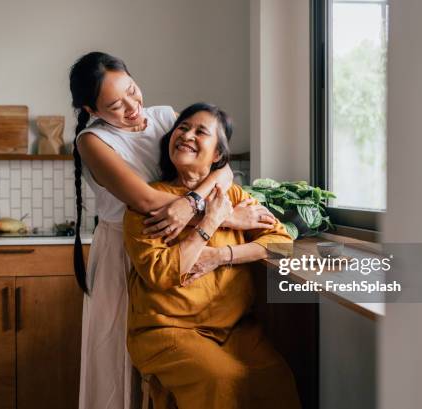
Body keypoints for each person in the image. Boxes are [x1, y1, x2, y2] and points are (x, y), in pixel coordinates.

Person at [69, 52, 277, 409]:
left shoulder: (165, 117)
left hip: (183, 242)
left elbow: (221, 166)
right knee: (117, 362)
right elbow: (148, 202)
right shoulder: (92, 141)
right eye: (115, 105)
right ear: (91, 109)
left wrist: (193, 203)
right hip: (127, 249)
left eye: (133, 91)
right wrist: (223, 218)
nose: (133, 108)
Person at [123, 103, 302, 409]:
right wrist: (208, 223)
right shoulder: (148, 202)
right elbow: (161, 273)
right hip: (166, 330)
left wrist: (222, 255)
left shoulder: (233, 197)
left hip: (235, 330)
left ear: (217, 155)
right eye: (183, 127)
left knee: (277, 378)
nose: (187, 135)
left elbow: (282, 243)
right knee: (221, 380)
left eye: (200, 131)